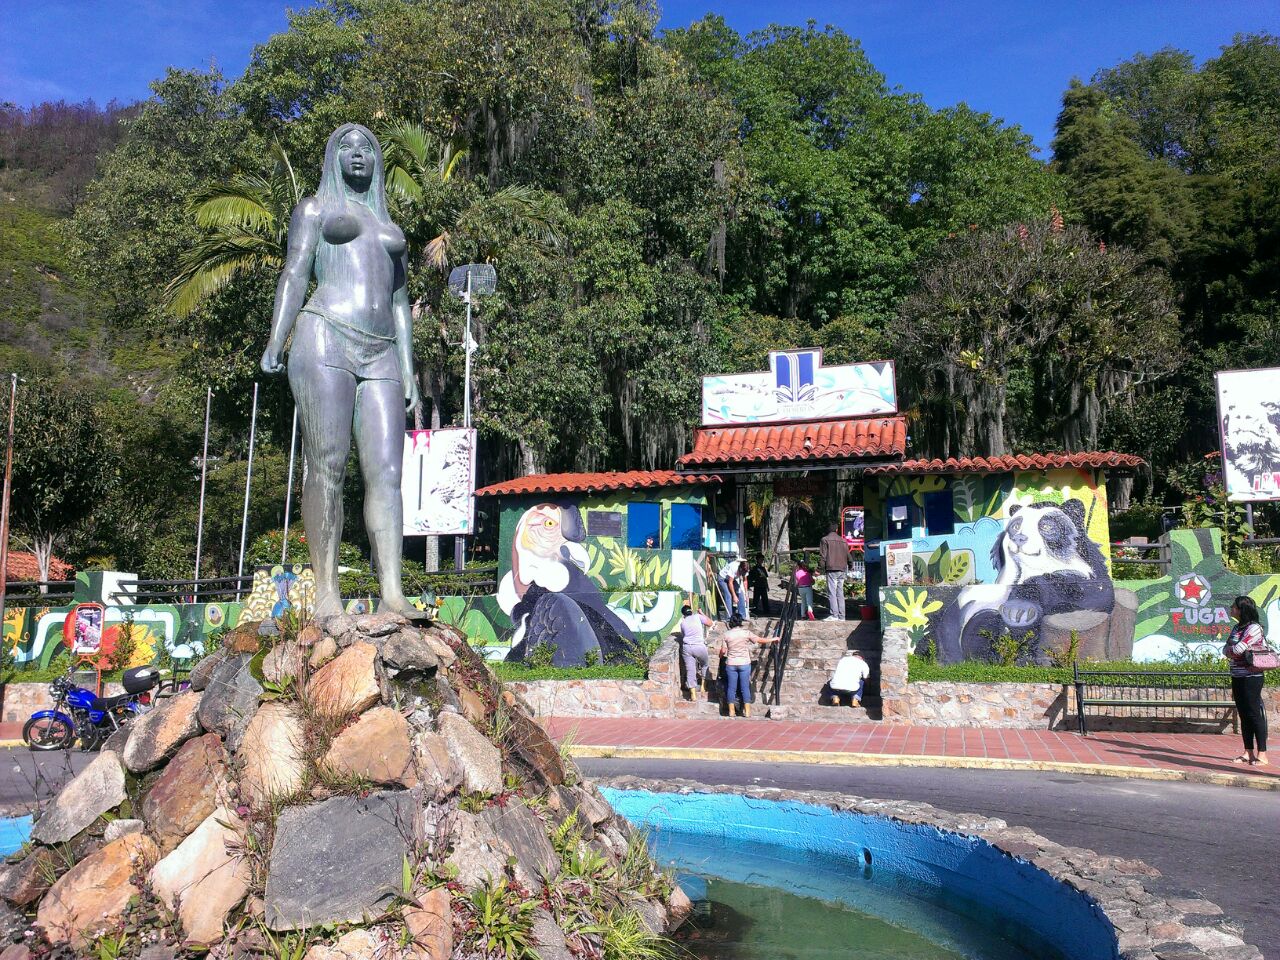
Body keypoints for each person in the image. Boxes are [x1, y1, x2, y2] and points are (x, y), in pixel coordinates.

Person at [262, 123, 419, 618]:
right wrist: (276, 337)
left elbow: (400, 303)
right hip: (325, 333)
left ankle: (391, 591)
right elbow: (295, 271)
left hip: (382, 351)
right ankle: (326, 593)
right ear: (332, 157)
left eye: (367, 148)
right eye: (346, 147)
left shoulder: (390, 227)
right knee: (326, 465)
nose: (357, 155)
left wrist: (410, 369)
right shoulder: (315, 209)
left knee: (387, 473)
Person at [1224, 595, 1269, 766]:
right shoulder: (1236, 628)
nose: (1231, 609)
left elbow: (1237, 649)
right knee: (1243, 714)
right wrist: (1231, 650)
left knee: (1254, 714)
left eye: (1234, 606)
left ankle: (1262, 753)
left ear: (1242, 610)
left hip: (1252, 677)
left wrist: (1232, 650)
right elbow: (1226, 649)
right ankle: (1248, 752)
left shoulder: (1254, 628)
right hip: (1237, 675)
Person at [712, 616, 778, 717]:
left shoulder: (726, 634)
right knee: (745, 687)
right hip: (744, 663)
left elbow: (723, 651)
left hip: (731, 663)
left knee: (731, 688)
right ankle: (747, 712)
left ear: (731, 623)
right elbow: (759, 640)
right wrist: (773, 639)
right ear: (740, 622)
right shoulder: (746, 633)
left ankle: (731, 711)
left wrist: (720, 656)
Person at [677, 603, 712, 700]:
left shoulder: (682, 623)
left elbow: (683, 635)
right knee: (705, 665)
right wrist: (702, 613)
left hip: (687, 647)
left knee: (690, 670)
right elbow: (710, 623)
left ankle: (693, 693)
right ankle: (703, 686)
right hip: (699, 646)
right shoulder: (698, 617)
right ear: (691, 611)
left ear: (683, 614)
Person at [819, 523, 851, 621]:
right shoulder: (843, 541)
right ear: (837, 530)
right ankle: (842, 616)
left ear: (828, 530)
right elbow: (848, 555)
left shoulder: (824, 540)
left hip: (832, 568)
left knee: (832, 592)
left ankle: (834, 615)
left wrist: (819, 569)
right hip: (842, 569)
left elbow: (823, 556)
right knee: (840, 593)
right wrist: (850, 564)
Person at [717, 557, 748, 622]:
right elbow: (730, 583)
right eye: (741, 573)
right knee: (729, 595)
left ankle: (742, 616)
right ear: (740, 568)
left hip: (731, 580)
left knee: (741, 594)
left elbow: (745, 581)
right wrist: (734, 595)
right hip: (722, 579)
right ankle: (729, 618)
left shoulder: (745, 569)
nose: (742, 574)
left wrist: (746, 594)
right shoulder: (734, 568)